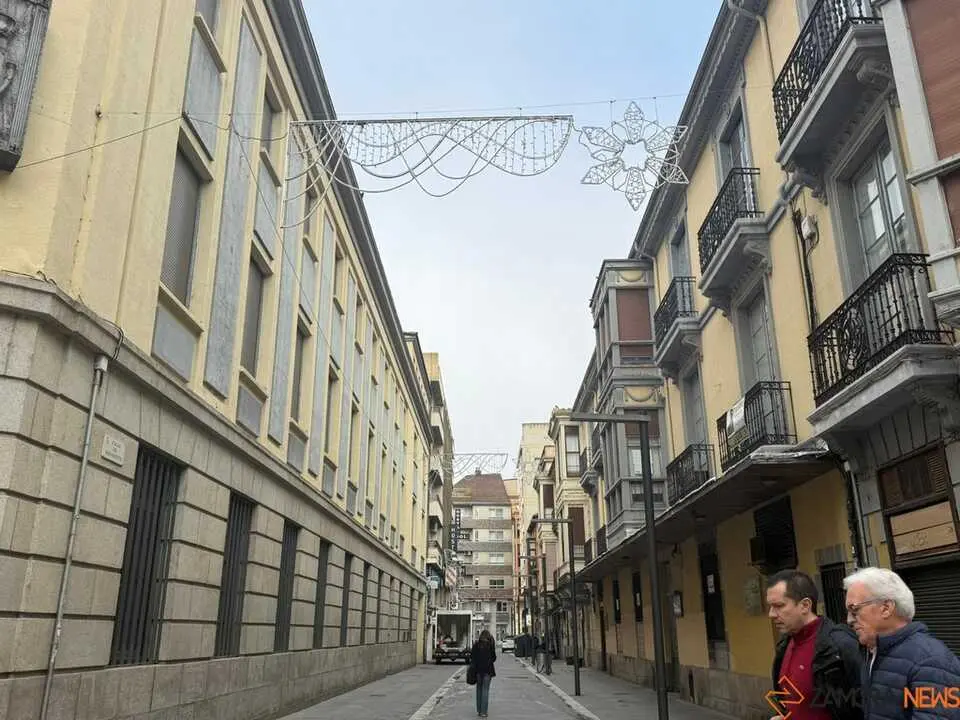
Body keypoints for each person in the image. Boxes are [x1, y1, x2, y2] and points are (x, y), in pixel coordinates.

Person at [844, 567, 960, 719]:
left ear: (886, 608)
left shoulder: (931, 661)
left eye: (854, 609)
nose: (849, 620)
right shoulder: (871, 653)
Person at [766, 569, 863, 720]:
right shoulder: (784, 646)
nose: (771, 614)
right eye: (770, 607)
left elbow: (867, 705)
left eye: (779, 606)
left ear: (805, 605)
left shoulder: (840, 645)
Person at [470, 629, 497, 718]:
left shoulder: (476, 645)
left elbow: (472, 657)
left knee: (479, 689)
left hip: (478, 671)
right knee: (485, 690)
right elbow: (494, 658)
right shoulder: (490, 646)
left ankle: (479, 710)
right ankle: (483, 712)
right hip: (488, 671)